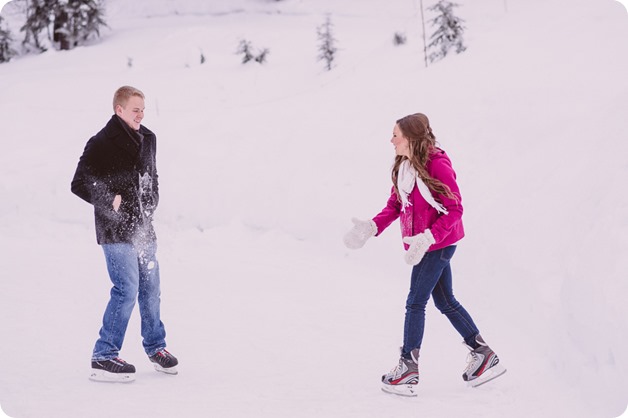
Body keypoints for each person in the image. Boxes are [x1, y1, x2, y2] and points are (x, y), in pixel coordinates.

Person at [343, 113, 505, 396]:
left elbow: (455, 209)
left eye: (396, 135)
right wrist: (371, 227)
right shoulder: (404, 166)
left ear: (411, 139)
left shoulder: (437, 164)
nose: (391, 140)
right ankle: (482, 353)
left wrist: (429, 238)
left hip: (437, 244)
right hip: (424, 244)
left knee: (415, 302)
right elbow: (395, 205)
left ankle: (408, 368)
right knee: (445, 301)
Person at [71, 86, 178, 383]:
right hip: (115, 228)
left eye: (143, 109)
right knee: (126, 289)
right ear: (119, 110)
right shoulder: (101, 142)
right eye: (135, 109)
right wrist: (110, 199)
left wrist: (152, 199)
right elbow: (79, 182)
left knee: (151, 290)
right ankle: (104, 354)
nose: (140, 114)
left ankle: (156, 347)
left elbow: (151, 176)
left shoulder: (149, 138)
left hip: (143, 227)